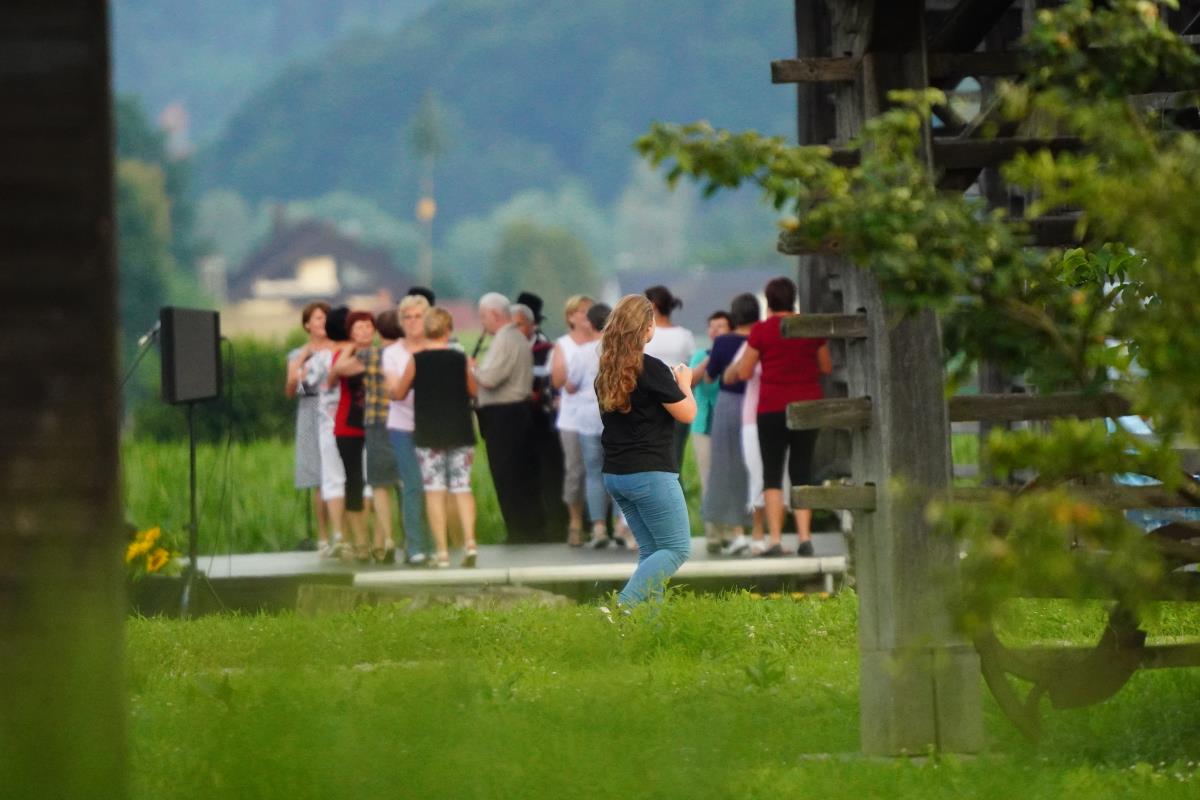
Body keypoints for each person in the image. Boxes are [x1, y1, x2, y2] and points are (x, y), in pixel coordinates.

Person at [598, 294, 696, 607]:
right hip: (650, 473)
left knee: (653, 552)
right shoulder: (651, 368)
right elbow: (687, 414)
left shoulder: (606, 371)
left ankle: (650, 627)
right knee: (677, 549)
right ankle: (622, 607)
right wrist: (685, 382)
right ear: (646, 328)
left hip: (617, 474)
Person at [732, 276, 832, 556]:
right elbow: (826, 366)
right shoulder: (809, 328)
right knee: (802, 470)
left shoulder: (762, 330)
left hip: (772, 407)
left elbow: (745, 372)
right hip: (808, 406)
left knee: (772, 474)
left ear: (769, 301)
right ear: (793, 299)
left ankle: (775, 539)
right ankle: (805, 538)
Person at [393, 307, 479, 569]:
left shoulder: (416, 360)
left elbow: (399, 393)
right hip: (460, 431)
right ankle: (470, 542)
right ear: (449, 330)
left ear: (426, 329)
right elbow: (473, 391)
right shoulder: (460, 358)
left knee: (434, 491)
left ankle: (441, 552)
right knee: (462, 488)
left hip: (428, 433)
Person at [474, 292, 543, 542]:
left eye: (483, 316)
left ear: (494, 314)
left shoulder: (505, 339)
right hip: (515, 413)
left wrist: (471, 368)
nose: (482, 322)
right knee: (519, 473)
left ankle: (519, 531)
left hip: (505, 414)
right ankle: (527, 528)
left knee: (507, 474)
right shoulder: (516, 337)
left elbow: (490, 379)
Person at [565, 302, 632, 550]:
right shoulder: (621, 351)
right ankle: (621, 524)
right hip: (615, 418)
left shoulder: (582, 352)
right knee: (619, 472)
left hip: (587, 420)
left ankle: (598, 527)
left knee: (594, 474)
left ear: (590, 324)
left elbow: (570, 384)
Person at [383, 294, 432, 565]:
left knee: (435, 486)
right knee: (412, 485)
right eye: (408, 317)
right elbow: (394, 389)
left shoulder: (438, 347)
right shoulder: (392, 353)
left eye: (418, 316)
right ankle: (415, 546)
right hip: (402, 425)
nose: (413, 322)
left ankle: (437, 543)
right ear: (401, 322)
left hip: (432, 423)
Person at [284, 301, 332, 549]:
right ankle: (323, 535)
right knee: (318, 477)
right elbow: (292, 390)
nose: (322, 322)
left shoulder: (338, 349)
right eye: (317, 318)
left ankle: (343, 534)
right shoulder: (297, 355)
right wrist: (302, 360)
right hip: (310, 409)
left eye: (325, 317)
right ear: (307, 325)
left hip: (334, 407)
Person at [356, 308, 402, 563]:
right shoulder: (405, 354)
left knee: (380, 484)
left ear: (379, 331)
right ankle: (413, 539)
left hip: (375, 421)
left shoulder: (369, 355)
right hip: (403, 422)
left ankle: (387, 538)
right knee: (404, 483)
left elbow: (341, 367)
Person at [329, 310, 375, 562]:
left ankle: (380, 538)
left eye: (368, 326)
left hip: (377, 425)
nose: (364, 331)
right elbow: (333, 375)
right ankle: (359, 541)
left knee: (377, 483)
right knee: (353, 481)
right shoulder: (343, 355)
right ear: (349, 332)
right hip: (348, 425)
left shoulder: (382, 354)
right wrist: (351, 348)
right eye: (358, 327)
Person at [550, 294, 595, 546]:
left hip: (599, 417)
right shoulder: (563, 345)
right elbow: (558, 381)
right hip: (572, 419)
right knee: (576, 471)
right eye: (581, 311)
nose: (586, 316)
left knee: (601, 470)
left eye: (590, 311)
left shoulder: (601, 342)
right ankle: (576, 522)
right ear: (571, 317)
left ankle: (600, 523)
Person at [688, 310, 732, 553]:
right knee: (708, 480)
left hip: (730, 424)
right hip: (704, 425)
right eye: (712, 326)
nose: (715, 330)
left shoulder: (737, 355)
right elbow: (691, 381)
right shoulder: (699, 355)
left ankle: (729, 530)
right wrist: (711, 359)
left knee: (728, 478)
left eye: (721, 326)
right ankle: (713, 532)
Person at [643, 285, 696, 471]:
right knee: (674, 458)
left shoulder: (644, 335)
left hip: (648, 401)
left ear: (653, 305)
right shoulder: (685, 336)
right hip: (676, 397)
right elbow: (690, 368)